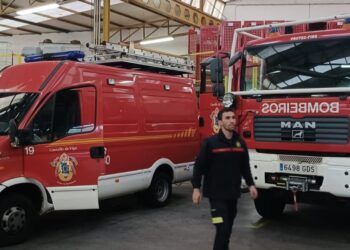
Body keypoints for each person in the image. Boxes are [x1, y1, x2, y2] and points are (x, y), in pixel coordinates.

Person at [191, 107, 258, 250]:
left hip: (232, 194)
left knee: (227, 231)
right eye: (227, 118)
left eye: (233, 118)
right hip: (215, 196)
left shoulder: (240, 143)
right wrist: (196, 188)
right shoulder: (210, 143)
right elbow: (199, 166)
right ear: (220, 122)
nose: (232, 121)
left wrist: (251, 185)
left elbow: (245, 167)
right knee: (222, 229)